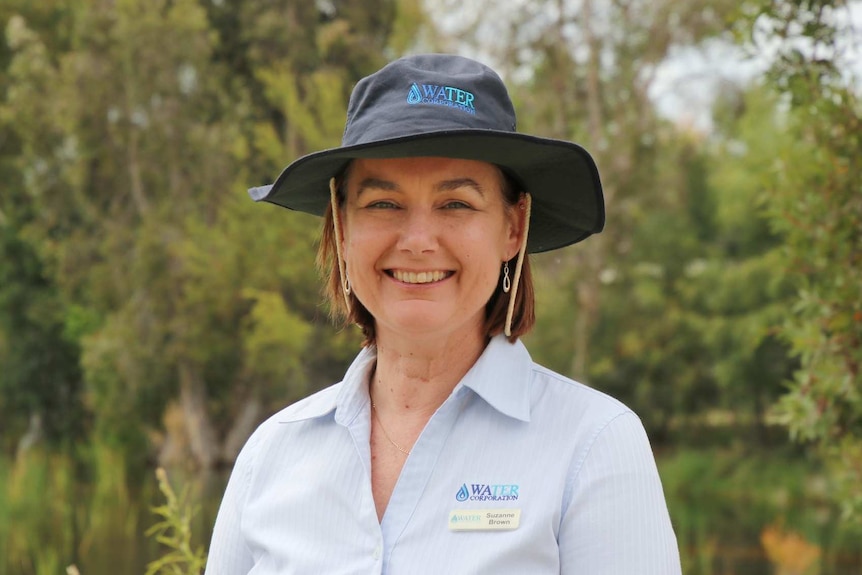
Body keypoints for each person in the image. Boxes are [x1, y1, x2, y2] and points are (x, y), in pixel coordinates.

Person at [205, 54, 681, 574]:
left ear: (513, 228)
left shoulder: (594, 444)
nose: (417, 242)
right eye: (384, 204)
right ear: (342, 228)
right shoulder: (271, 454)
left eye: (456, 204)